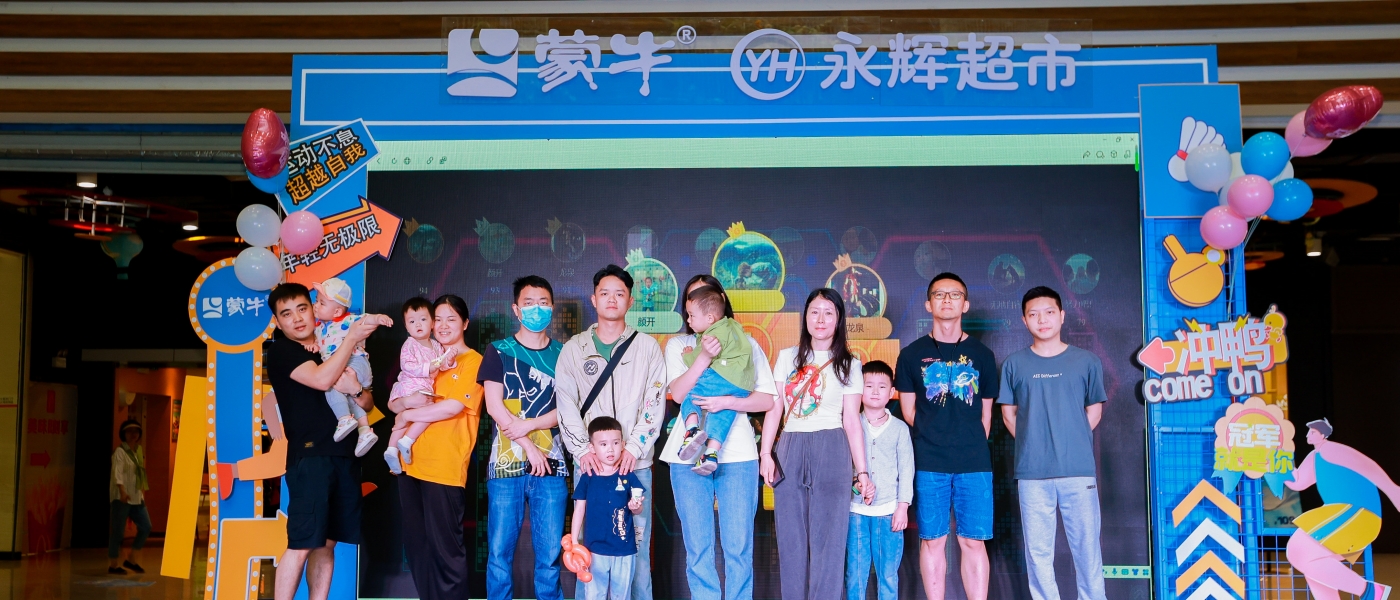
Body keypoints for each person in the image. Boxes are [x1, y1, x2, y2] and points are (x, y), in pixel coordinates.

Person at [265, 283, 388, 600]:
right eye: (286, 314)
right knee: (303, 542)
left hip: (345, 454)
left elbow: (367, 403)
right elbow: (321, 380)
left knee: (327, 543)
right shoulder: (283, 351)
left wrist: (356, 389)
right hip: (310, 457)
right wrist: (351, 339)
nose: (297, 319)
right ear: (278, 321)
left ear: (314, 309)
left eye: (302, 308)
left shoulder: (329, 340)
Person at [662, 274, 777, 600]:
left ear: (717, 304)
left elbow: (767, 400)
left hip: (738, 455)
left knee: (738, 548)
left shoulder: (745, 342)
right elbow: (677, 393)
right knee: (698, 548)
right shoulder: (678, 345)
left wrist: (727, 402)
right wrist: (702, 357)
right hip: (685, 457)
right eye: (691, 298)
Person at [556, 264, 667, 600]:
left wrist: (634, 447)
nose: (612, 299)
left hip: (635, 467)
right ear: (594, 299)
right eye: (604, 293)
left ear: (630, 301)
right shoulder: (574, 349)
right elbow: (566, 403)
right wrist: (582, 450)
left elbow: (654, 401)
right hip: (591, 468)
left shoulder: (646, 347)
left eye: (620, 293)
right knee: (587, 553)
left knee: (637, 554)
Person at [893, 273, 999, 600]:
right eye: (940, 295)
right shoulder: (911, 355)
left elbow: (986, 416)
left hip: (974, 462)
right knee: (932, 540)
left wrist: (965, 439)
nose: (947, 300)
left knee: (973, 541)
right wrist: (936, 435)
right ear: (929, 304)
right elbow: (908, 411)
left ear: (965, 304)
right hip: (929, 461)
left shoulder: (982, 355)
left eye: (955, 295)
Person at [998, 286, 1108, 600]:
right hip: (1032, 475)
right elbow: (1008, 415)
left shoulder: (1086, 361)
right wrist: (1036, 443)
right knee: (1038, 554)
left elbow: (1094, 410)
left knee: (1087, 550)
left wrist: (1070, 438)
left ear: (1061, 316)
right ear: (1024, 320)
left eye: (1048, 312)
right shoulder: (1014, 364)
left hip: (1078, 472)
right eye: (1033, 314)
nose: (1042, 320)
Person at [766, 288, 870, 600]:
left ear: (839, 319)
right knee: (791, 539)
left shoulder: (850, 364)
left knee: (830, 540)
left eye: (828, 312)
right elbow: (775, 409)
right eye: (814, 311)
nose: (820, 319)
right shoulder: (787, 357)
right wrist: (765, 453)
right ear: (806, 317)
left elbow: (852, 420)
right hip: (790, 445)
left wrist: (862, 472)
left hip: (832, 445)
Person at [388, 295, 484, 600]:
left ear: (465, 323)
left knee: (447, 552)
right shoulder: (424, 357)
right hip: (409, 464)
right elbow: (395, 402)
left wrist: (406, 415)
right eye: (437, 319)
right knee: (419, 549)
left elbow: (451, 408)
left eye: (451, 319)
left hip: (444, 467)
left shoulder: (473, 361)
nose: (442, 325)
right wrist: (403, 406)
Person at [481, 276, 569, 600]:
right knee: (498, 555)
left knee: (550, 556)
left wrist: (529, 425)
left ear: (552, 308)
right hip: (506, 466)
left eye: (543, 303)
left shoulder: (564, 354)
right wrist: (528, 446)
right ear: (516, 309)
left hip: (553, 464)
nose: (536, 309)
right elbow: (494, 406)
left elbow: (568, 409)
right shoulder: (498, 351)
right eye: (529, 303)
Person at [1285, 418, 1399, 600]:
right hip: (1342, 512)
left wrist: (1392, 490)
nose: (1308, 435)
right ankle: (1369, 592)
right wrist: (1278, 463)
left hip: (1357, 512)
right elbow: (1298, 482)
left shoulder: (1331, 450)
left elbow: (1367, 466)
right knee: (1309, 559)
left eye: (1312, 432)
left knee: (1299, 549)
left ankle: (1370, 591)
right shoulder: (1315, 456)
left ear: (1323, 434)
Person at [845, 361, 913, 600]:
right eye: (868, 385)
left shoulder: (899, 429)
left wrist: (902, 507)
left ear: (892, 391)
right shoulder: (850, 425)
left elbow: (906, 470)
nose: (875, 391)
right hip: (856, 512)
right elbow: (843, 468)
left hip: (888, 512)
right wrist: (856, 486)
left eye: (882, 386)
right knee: (855, 574)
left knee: (888, 575)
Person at [308, 277, 391, 457]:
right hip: (351, 372)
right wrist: (314, 345)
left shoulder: (347, 320)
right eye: (316, 301)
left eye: (321, 303)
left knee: (330, 384)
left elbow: (366, 319)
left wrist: (378, 318)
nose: (315, 306)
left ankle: (344, 419)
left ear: (337, 311)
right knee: (350, 396)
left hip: (355, 362)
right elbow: (320, 343)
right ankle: (365, 430)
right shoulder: (319, 328)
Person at [675, 285, 754, 474]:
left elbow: (699, 358)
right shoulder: (733, 326)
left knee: (692, 396)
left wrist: (687, 356)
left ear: (710, 318)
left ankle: (691, 430)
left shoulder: (712, 334)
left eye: (692, 315)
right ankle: (711, 453)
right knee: (723, 413)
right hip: (742, 385)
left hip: (724, 376)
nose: (688, 320)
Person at [572, 417, 647, 600]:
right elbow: (579, 510)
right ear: (592, 448)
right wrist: (574, 542)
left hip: (624, 549)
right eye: (603, 444)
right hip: (594, 550)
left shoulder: (628, 475)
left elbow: (638, 510)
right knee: (594, 595)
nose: (611, 449)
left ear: (623, 444)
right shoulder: (587, 477)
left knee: (621, 596)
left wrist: (635, 507)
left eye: (615, 443)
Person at [384, 296, 458, 474]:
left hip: (423, 387)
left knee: (406, 418)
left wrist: (449, 360)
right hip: (411, 386)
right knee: (428, 412)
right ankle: (407, 440)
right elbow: (407, 366)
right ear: (406, 326)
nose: (418, 324)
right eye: (412, 321)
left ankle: (391, 449)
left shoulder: (436, 345)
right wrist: (427, 367)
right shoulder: (410, 344)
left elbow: (442, 366)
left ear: (432, 323)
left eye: (423, 319)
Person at [108, 420, 152, 575]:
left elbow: (138, 475)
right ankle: (113, 565)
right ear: (123, 434)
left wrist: (141, 493)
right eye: (129, 431)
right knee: (118, 532)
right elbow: (117, 473)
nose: (133, 434)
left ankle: (131, 559)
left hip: (136, 497)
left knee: (146, 526)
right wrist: (122, 491)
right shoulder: (120, 452)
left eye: (136, 431)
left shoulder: (138, 451)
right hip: (122, 497)